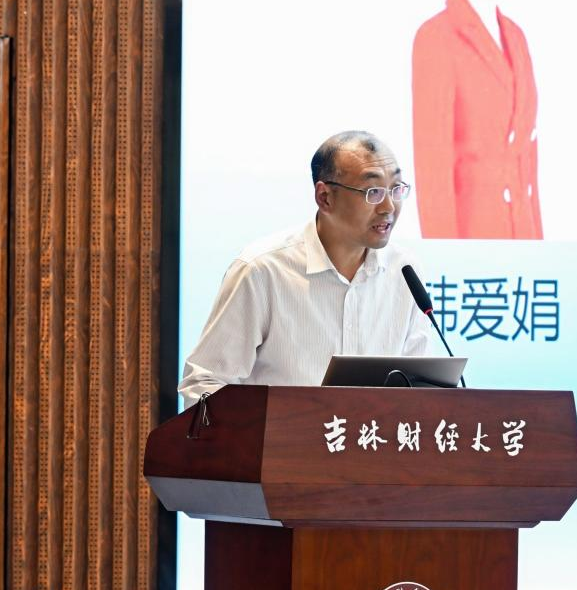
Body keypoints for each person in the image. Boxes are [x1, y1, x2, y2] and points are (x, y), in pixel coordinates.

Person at [178, 131, 434, 405]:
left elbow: (419, 390)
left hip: (371, 433)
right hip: (280, 434)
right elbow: (204, 384)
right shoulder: (263, 271)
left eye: (396, 188)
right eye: (373, 192)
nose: (388, 206)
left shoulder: (403, 271)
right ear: (325, 197)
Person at [412, 0, 542, 240]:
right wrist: (448, 258)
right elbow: (433, 176)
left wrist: (540, 250)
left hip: (524, 237)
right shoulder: (435, 37)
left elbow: (527, 165)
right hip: (474, 240)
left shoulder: (517, 37)